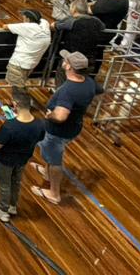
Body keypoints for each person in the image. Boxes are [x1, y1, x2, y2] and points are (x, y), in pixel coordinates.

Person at [31, 51, 97, 205]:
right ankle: (46, 173)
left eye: (65, 60)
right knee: (50, 155)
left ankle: (54, 193)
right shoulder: (89, 82)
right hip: (74, 126)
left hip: (57, 132)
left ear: (68, 66)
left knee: (55, 161)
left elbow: (60, 116)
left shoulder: (68, 90)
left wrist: (50, 115)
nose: (63, 61)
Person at [0, 89, 46, 223]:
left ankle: (3, 210)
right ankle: (13, 206)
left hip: (5, 160)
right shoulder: (40, 124)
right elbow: (40, 138)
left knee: (4, 184)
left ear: (15, 105)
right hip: (23, 159)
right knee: (16, 181)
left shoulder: (10, 126)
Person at [5, 10, 52, 87]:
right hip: (32, 64)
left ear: (28, 19)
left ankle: (22, 95)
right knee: (21, 83)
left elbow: (5, 26)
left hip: (18, 63)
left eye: (24, 18)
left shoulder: (26, 27)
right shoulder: (45, 25)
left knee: (16, 87)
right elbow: (43, 20)